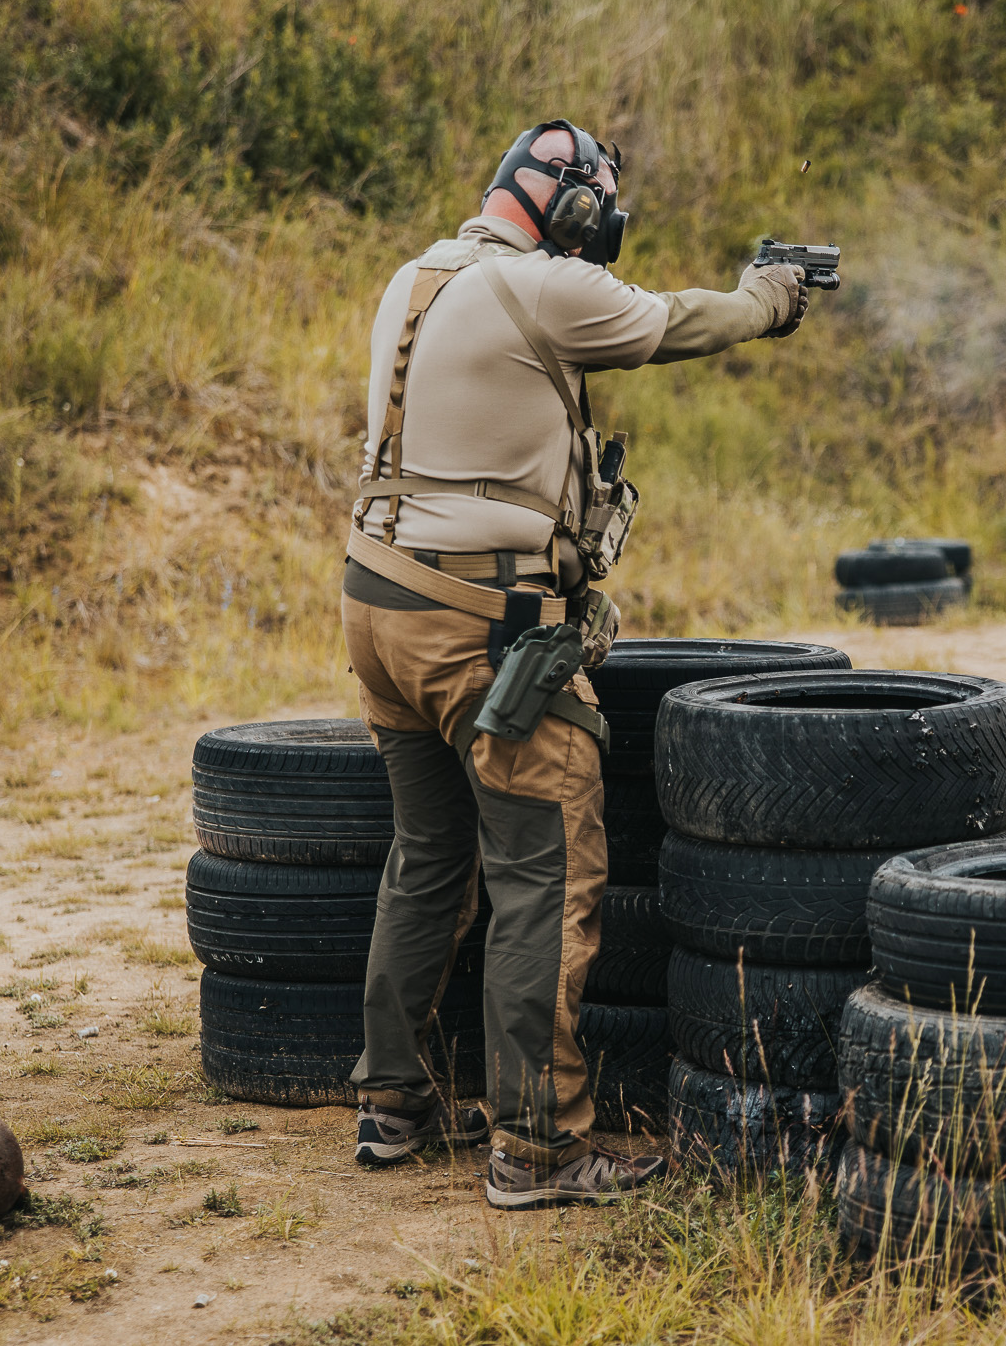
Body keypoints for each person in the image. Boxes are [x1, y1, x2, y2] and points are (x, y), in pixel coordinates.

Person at [341, 119, 817, 1208]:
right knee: (544, 871)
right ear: (559, 199)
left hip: (377, 610)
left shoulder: (416, 274)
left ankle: (392, 1100)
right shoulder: (545, 287)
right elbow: (685, 320)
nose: (606, 218)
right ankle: (539, 1146)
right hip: (481, 624)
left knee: (427, 852)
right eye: (599, 197)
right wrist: (769, 295)